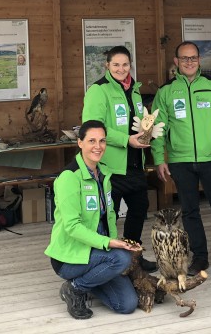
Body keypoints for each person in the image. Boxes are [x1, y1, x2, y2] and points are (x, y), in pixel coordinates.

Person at [151, 41, 211, 282]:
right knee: (190, 212)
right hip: (179, 160)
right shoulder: (166, 92)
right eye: (184, 58)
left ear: (199, 60)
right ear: (176, 62)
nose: (189, 62)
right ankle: (201, 256)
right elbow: (157, 127)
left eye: (193, 58)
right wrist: (159, 159)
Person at [45, 120, 141, 320]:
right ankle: (75, 288)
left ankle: (89, 280)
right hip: (70, 258)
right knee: (120, 259)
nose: (98, 146)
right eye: (91, 141)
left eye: (102, 141)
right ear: (80, 143)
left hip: (98, 254)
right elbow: (72, 226)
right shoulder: (69, 177)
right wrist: (109, 244)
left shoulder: (104, 174)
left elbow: (111, 215)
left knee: (127, 304)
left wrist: (116, 243)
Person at [81, 46, 157, 272]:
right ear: (107, 66)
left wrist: (147, 134)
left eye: (125, 64)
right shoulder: (98, 90)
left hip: (135, 164)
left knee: (139, 209)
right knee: (107, 217)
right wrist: (127, 140)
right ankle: (108, 260)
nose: (121, 69)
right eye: (116, 65)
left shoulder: (135, 90)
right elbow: (94, 127)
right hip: (110, 167)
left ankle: (133, 257)